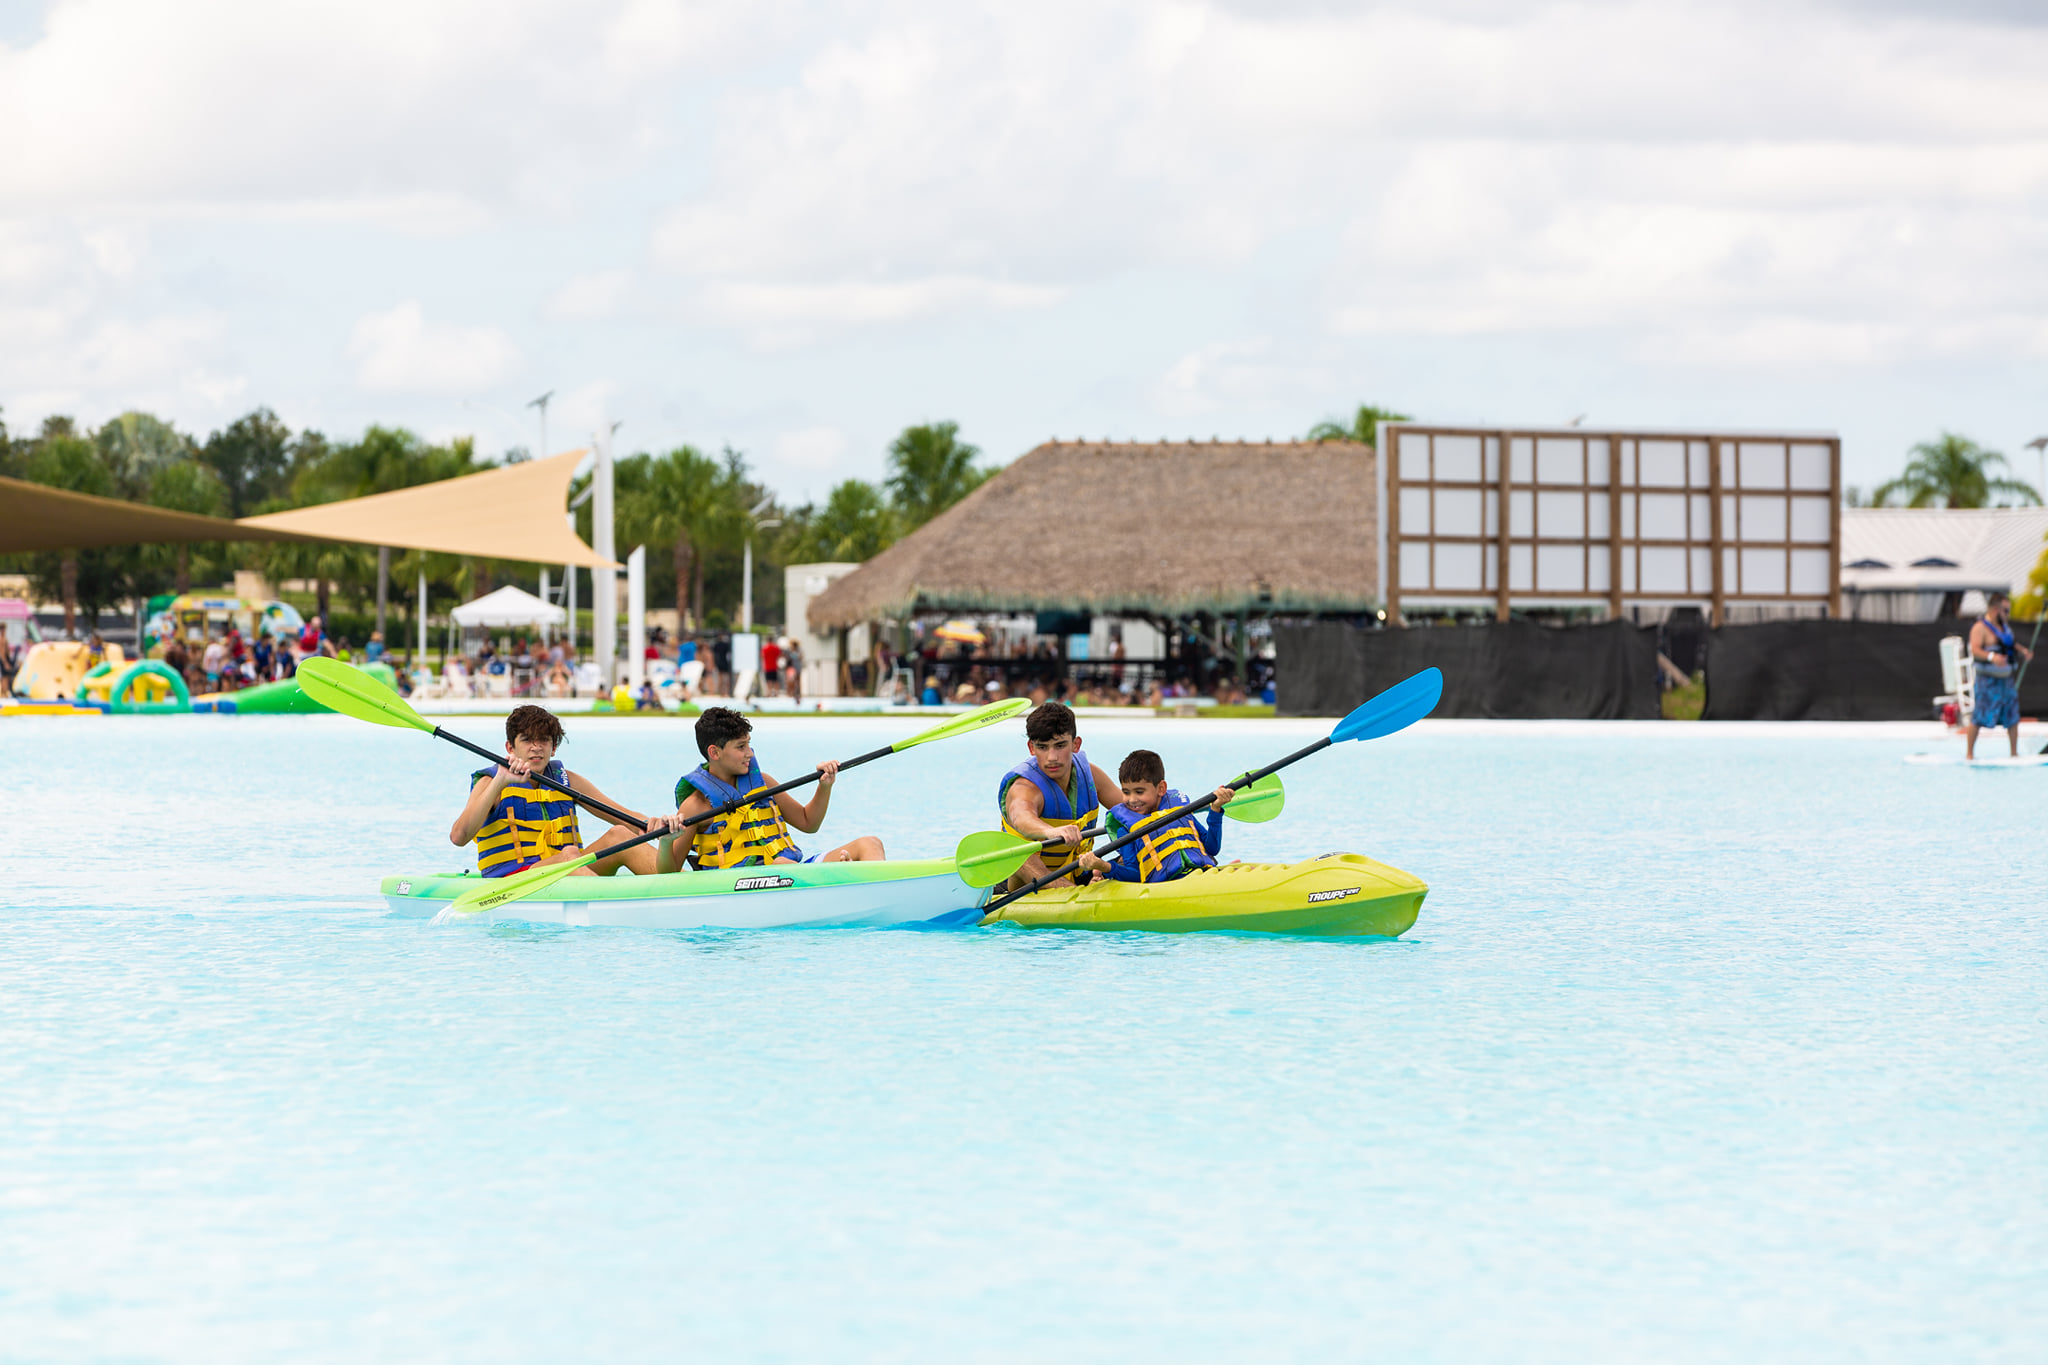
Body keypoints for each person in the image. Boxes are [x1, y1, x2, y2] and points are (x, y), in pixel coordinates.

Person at [649, 707, 884, 870]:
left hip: (792, 872)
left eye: (749, 744)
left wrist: (825, 786)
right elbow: (668, 872)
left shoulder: (763, 783)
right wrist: (667, 841)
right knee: (782, 865)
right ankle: (839, 879)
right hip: (741, 884)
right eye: (741, 746)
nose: (749, 753)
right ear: (714, 752)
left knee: (870, 843)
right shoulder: (696, 805)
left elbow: (808, 822)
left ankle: (873, 886)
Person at [449, 704, 657, 879]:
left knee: (619, 835)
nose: (536, 747)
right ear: (510, 747)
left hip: (569, 869)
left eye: (544, 740)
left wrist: (658, 825)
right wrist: (500, 782)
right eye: (527, 739)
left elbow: (625, 817)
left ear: (553, 747)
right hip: (516, 878)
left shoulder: (567, 780)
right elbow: (459, 837)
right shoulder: (490, 782)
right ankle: (613, 904)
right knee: (569, 855)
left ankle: (681, 886)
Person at [996, 700, 1124, 891]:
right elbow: (1020, 816)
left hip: (1080, 872)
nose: (1052, 757)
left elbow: (1131, 810)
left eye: (1060, 745)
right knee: (1018, 855)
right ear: (1032, 748)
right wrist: (1050, 832)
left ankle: (1091, 884)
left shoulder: (1090, 776)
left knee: (1140, 839)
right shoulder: (1024, 787)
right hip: (1022, 883)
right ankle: (1073, 892)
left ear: (1075, 744)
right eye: (1043, 747)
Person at [1101, 750, 1235, 883]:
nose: (1132, 799)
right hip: (1169, 884)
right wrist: (1106, 867)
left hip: (1201, 873)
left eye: (1139, 792)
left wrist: (1215, 809)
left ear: (1161, 789)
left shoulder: (1179, 812)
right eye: (1126, 792)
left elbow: (1212, 848)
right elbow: (1136, 875)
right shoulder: (1125, 831)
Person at [1967, 591, 2033, 759]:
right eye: (2006, 610)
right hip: (1987, 680)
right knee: (1980, 715)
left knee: (2012, 715)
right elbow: (1975, 649)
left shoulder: (2004, 628)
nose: (2008, 614)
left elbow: (2010, 643)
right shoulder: (1980, 628)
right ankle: (1969, 754)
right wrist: (1991, 656)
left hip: (2006, 679)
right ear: (1996, 609)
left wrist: (2023, 651)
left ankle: (2014, 753)